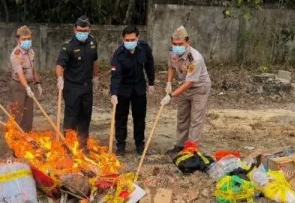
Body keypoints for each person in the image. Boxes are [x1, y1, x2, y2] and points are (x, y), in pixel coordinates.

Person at [160, 26, 211, 154]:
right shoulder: (172, 52)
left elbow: (190, 82)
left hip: (199, 88)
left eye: (180, 44)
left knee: (196, 119)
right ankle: (180, 145)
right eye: (175, 44)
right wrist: (169, 82)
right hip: (184, 86)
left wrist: (171, 95)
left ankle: (191, 148)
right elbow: (171, 67)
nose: (177, 46)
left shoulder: (195, 58)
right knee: (182, 116)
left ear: (187, 42)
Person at [110, 25, 155, 156]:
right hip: (123, 89)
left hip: (139, 88)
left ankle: (140, 144)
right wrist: (114, 93)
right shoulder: (118, 54)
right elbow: (115, 76)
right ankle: (121, 145)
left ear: (137, 38)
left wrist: (151, 82)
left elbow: (149, 65)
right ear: (123, 39)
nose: (130, 42)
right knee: (121, 118)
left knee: (140, 117)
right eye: (127, 40)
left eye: (132, 40)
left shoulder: (144, 48)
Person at [55, 16, 99, 146]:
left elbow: (95, 60)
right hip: (72, 87)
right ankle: (69, 145)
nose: (82, 33)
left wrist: (96, 77)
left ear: (89, 30)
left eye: (85, 31)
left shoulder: (93, 42)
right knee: (71, 117)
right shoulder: (68, 45)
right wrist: (59, 77)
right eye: (80, 30)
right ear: (75, 30)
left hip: (87, 86)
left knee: (85, 116)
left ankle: (82, 144)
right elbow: (60, 64)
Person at [9, 25, 42, 133]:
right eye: (24, 39)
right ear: (18, 40)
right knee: (17, 113)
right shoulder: (16, 54)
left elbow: (33, 68)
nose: (27, 41)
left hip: (29, 84)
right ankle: (15, 138)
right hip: (18, 85)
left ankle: (26, 136)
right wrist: (27, 87)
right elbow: (20, 74)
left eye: (29, 38)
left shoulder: (31, 51)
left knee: (28, 114)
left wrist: (37, 83)